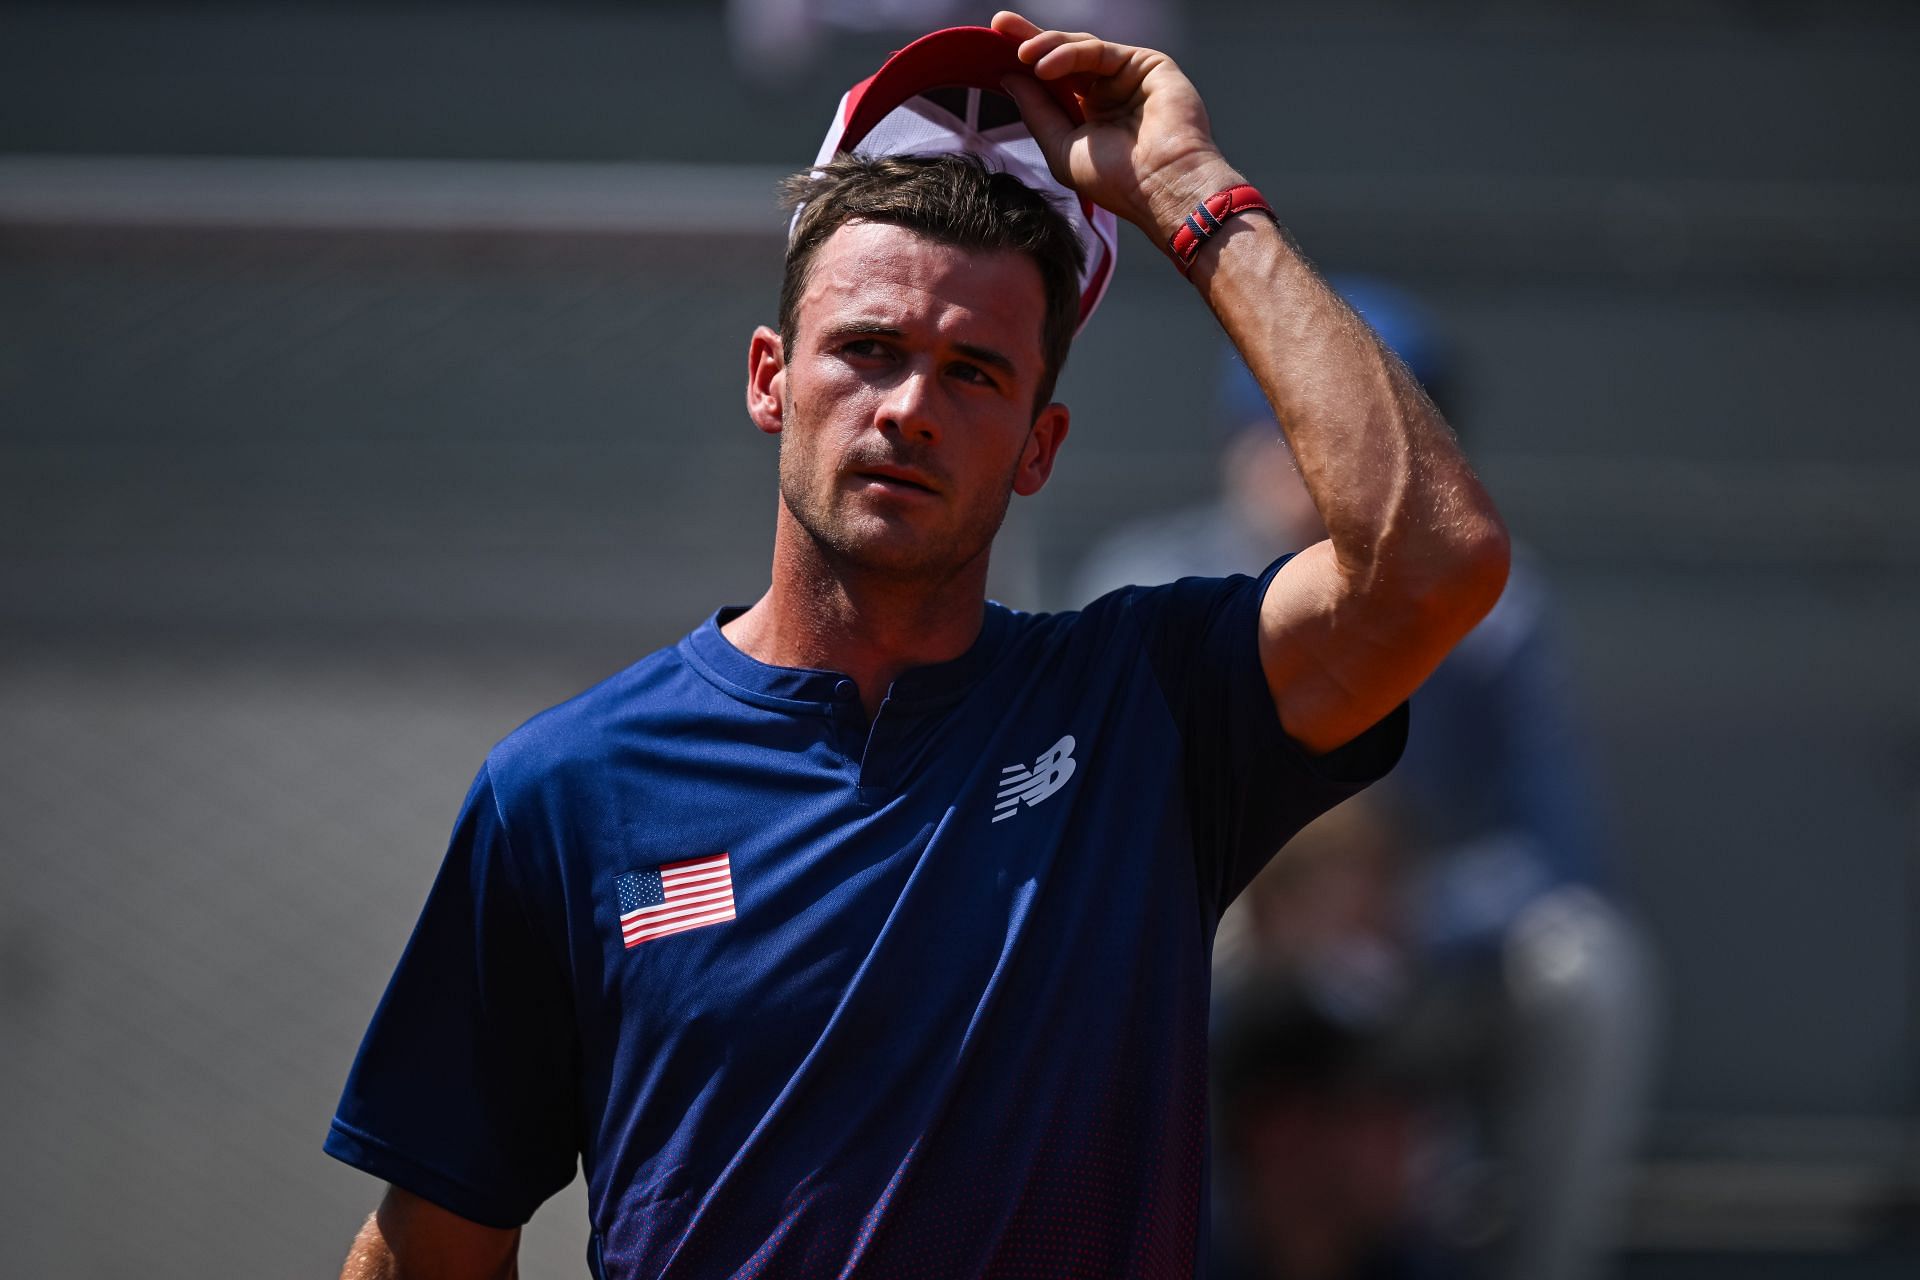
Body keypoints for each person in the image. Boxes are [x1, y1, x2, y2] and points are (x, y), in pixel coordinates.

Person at [325, 13, 1510, 1278]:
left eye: (974, 373)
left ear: (1041, 447)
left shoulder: (1147, 710)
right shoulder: (563, 791)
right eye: (869, 349)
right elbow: (428, 1245)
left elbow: (1432, 562)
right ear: (771, 379)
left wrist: (1189, 194)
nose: (908, 408)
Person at [1077, 288, 1655, 1280]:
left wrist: (1407, 920)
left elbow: (1556, 853)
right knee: (1090, 975)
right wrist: (1255, 912)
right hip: (1220, 958)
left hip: (1410, 959)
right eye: (1286, 422)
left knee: (1586, 973)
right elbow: (1083, 843)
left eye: (1361, 431)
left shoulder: (1494, 612)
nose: (1308, 458)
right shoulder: (1149, 582)